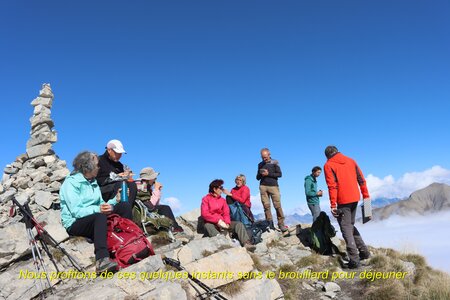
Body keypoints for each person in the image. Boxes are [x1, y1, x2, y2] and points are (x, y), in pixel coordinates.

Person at [59, 151, 133, 273]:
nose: (99, 167)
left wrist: (116, 200)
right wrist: (98, 210)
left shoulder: (93, 182)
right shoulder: (70, 183)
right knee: (99, 217)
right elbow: (76, 211)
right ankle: (101, 260)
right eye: (97, 165)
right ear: (88, 166)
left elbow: (101, 205)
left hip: (96, 217)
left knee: (124, 206)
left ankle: (129, 242)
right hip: (75, 223)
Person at [323, 145, 371, 269]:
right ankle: (364, 252)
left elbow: (332, 186)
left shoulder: (328, 165)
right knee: (349, 225)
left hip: (343, 200)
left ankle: (354, 260)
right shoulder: (351, 160)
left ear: (327, 155)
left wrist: (333, 204)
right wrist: (366, 196)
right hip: (355, 197)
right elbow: (361, 180)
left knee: (345, 228)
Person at [201, 179, 255, 250]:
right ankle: (222, 242)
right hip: (212, 223)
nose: (222, 190)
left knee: (238, 224)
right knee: (207, 226)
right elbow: (204, 214)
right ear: (214, 189)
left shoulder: (222, 200)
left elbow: (226, 213)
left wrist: (227, 222)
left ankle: (246, 243)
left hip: (223, 223)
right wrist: (218, 221)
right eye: (220, 188)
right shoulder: (206, 199)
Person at [135, 167, 184, 233]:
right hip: (143, 211)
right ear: (149, 178)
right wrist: (157, 189)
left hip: (145, 208)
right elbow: (151, 205)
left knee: (163, 208)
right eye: (154, 178)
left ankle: (175, 227)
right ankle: (175, 228)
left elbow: (155, 204)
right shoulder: (142, 186)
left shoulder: (145, 185)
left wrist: (158, 191)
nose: (155, 180)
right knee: (165, 208)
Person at [96, 139, 138, 207]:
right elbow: (97, 180)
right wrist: (116, 177)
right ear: (109, 150)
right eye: (117, 153)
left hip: (116, 188)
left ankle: (127, 209)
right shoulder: (98, 161)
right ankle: (119, 209)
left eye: (120, 153)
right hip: (101, 191)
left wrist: (127, 176)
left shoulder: (119, 165)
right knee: (121, 184)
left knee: (132, 185)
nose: (119, 155)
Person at [256, 148, 287, 232]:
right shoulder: (260, 164)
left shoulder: (275, 162)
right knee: (266, 206)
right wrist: (260, 173)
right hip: (263, 186)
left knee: (277, 205)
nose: (264, 159)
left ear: (269, 154)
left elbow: (280, 174)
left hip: (273, 186)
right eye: (262, 157)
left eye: (265, 157)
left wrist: (268, 174)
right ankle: (270, 224)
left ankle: (281, 224)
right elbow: (257, 178)